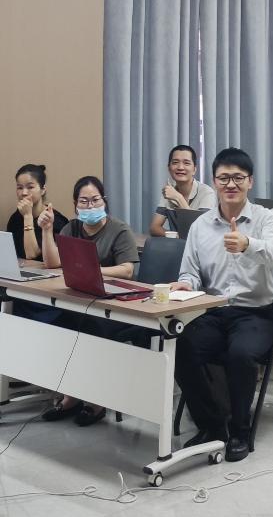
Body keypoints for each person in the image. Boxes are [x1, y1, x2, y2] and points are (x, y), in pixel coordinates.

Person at [168, 148, 273, 462]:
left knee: (241, 354)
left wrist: (248, 244)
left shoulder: (265, 218)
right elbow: (190, 271)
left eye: (238, 178)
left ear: (250, 181)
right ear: (214, 181)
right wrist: (186, 284)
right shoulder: (201, 225)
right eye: (223, 178)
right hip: (215, 311)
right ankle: (212, 425)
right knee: (181, 345)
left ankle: (240, 432)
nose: (230, 184)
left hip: (257, 313)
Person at [38, 176, 140, 427]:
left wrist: (93, 270)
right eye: (84, 201)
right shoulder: (71, 228)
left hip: (114, 307)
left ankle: (96, 402)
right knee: (58, 326)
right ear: (75, 204)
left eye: (95, 200)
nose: (90, 206)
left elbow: (128, 270)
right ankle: (71, 396)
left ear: (104, 201)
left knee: (90, 330)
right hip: (80, 301)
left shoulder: (119, 229)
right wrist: (47, 230)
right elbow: (52, 263)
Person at [148, 145, 217, 237]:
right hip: (177, 244)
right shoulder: (169, 191)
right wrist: (177, 236)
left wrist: (178, 198)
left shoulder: (207, 193)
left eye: (186, 163)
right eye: (175, 162)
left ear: (194, 169)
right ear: (169, 168)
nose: (180, 167)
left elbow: (199, 231)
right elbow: (154, 228)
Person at [7, 164, 68, 260]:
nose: (24, 193)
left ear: (43, 190)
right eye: (20, 188)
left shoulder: (54, 220)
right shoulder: (15, 218)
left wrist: (27, 216)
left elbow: (32, 254)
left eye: (30, 187)